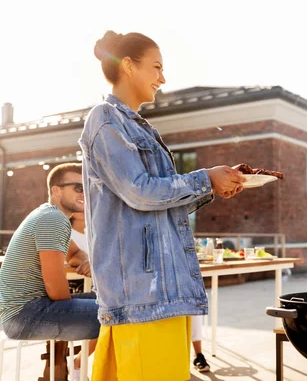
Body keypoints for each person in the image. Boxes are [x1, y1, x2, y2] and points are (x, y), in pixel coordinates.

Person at [80, 30, 246, 381]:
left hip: (163, 293)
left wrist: (211, 189)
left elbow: (155, 207)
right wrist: (204, 178)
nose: (163, 78)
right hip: (142, 296)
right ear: (128, 65)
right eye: (156, 67)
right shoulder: (105, 119)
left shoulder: (140, 128)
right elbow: (139, 192)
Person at [0, 163, 100, 380]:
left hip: (26, 310)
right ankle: (87, 370)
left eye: (86, 187)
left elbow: (74, 254)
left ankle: (78, 367)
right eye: (77, 187)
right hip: (25, 315)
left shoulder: (51, 216)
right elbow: (55, 288)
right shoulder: (52, 219)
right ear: (56, 190)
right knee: (121, 315)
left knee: (114, 302)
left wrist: (86, 260)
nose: (84, 192)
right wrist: (73, 313)